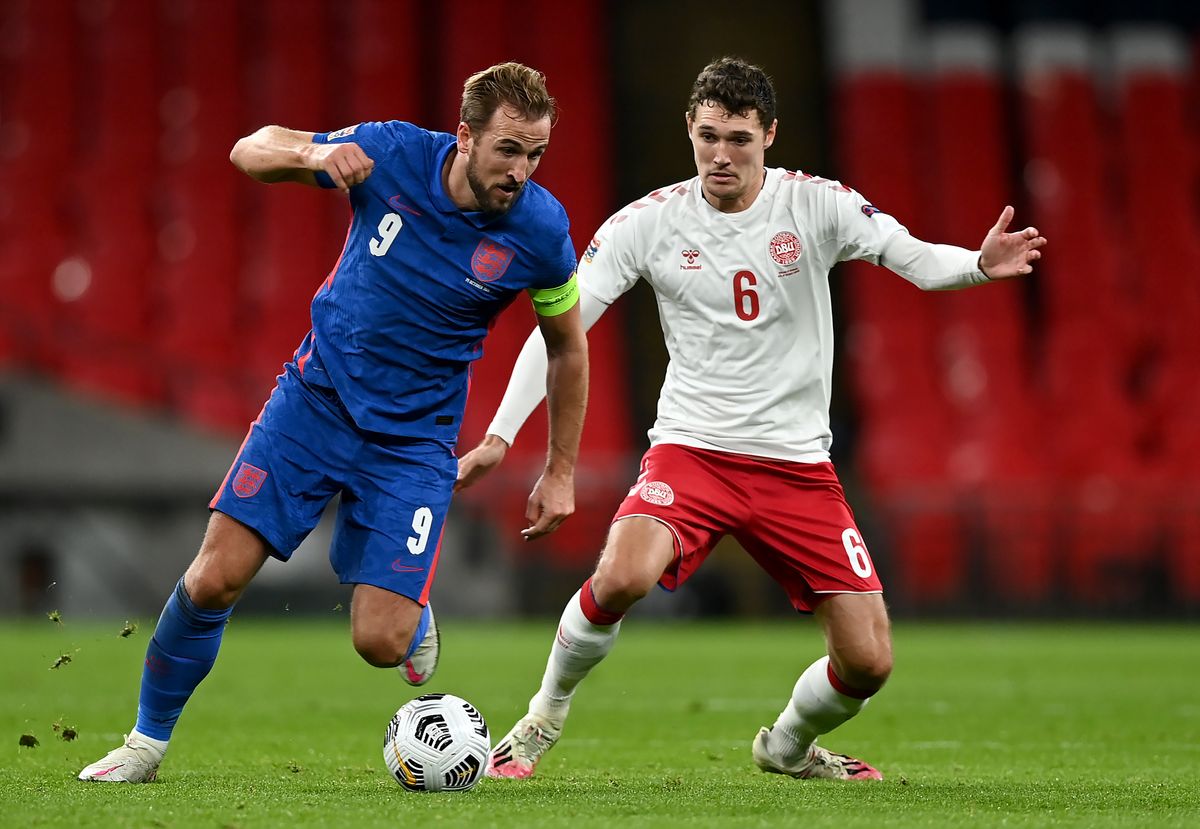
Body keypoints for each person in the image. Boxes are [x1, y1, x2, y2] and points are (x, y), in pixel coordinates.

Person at [456, 56, 1046, 782]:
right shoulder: (647, 223)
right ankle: (541, 718)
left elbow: (915, 259)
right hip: (692, 452)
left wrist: (977, 265)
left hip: (798, 467)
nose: (720, 154)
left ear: (769, 133)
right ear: (689, 129)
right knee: (623, 574)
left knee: (868, 660)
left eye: (738, 138)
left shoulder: (817, 205)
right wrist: (499, 435)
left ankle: (789, 745)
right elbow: (562, 331)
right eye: (708, 136)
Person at [78, 62, 589, 783]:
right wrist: (314, 154)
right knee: (214, 579)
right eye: (508, 149)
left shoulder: (541, 229)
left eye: (536, 153)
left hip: (413, 440)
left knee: (381, 642)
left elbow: (568, 348)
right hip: (314, 403)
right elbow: (250, 148)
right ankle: (145, 742)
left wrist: (559, 468)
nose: (521, 171)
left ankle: (408, 608)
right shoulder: (391, 153)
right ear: (465, 136)